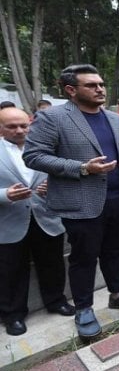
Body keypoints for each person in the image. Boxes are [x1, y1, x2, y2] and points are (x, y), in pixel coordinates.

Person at [23, 64, 119, 339]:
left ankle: (118, 293)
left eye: (101, 84)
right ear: (71, 90)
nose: (100, 89)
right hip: (81, 203)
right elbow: (33, 156)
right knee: (83, 258)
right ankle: (84, 308)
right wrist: (82, 167)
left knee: (114, 251)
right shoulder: (52, 118)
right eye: (91, 85)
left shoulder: (116, 119)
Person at [0, 107, 74, 336]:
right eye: (11, 126)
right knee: (10, 270)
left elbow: (65, 173)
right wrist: (5, 195)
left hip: (47, 217)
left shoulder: (47, 148)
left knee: (52, 263)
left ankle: (56, 301)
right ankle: (13, 315)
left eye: (24, 125)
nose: (20, 130)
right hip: (8, 221)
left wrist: (54, 187)